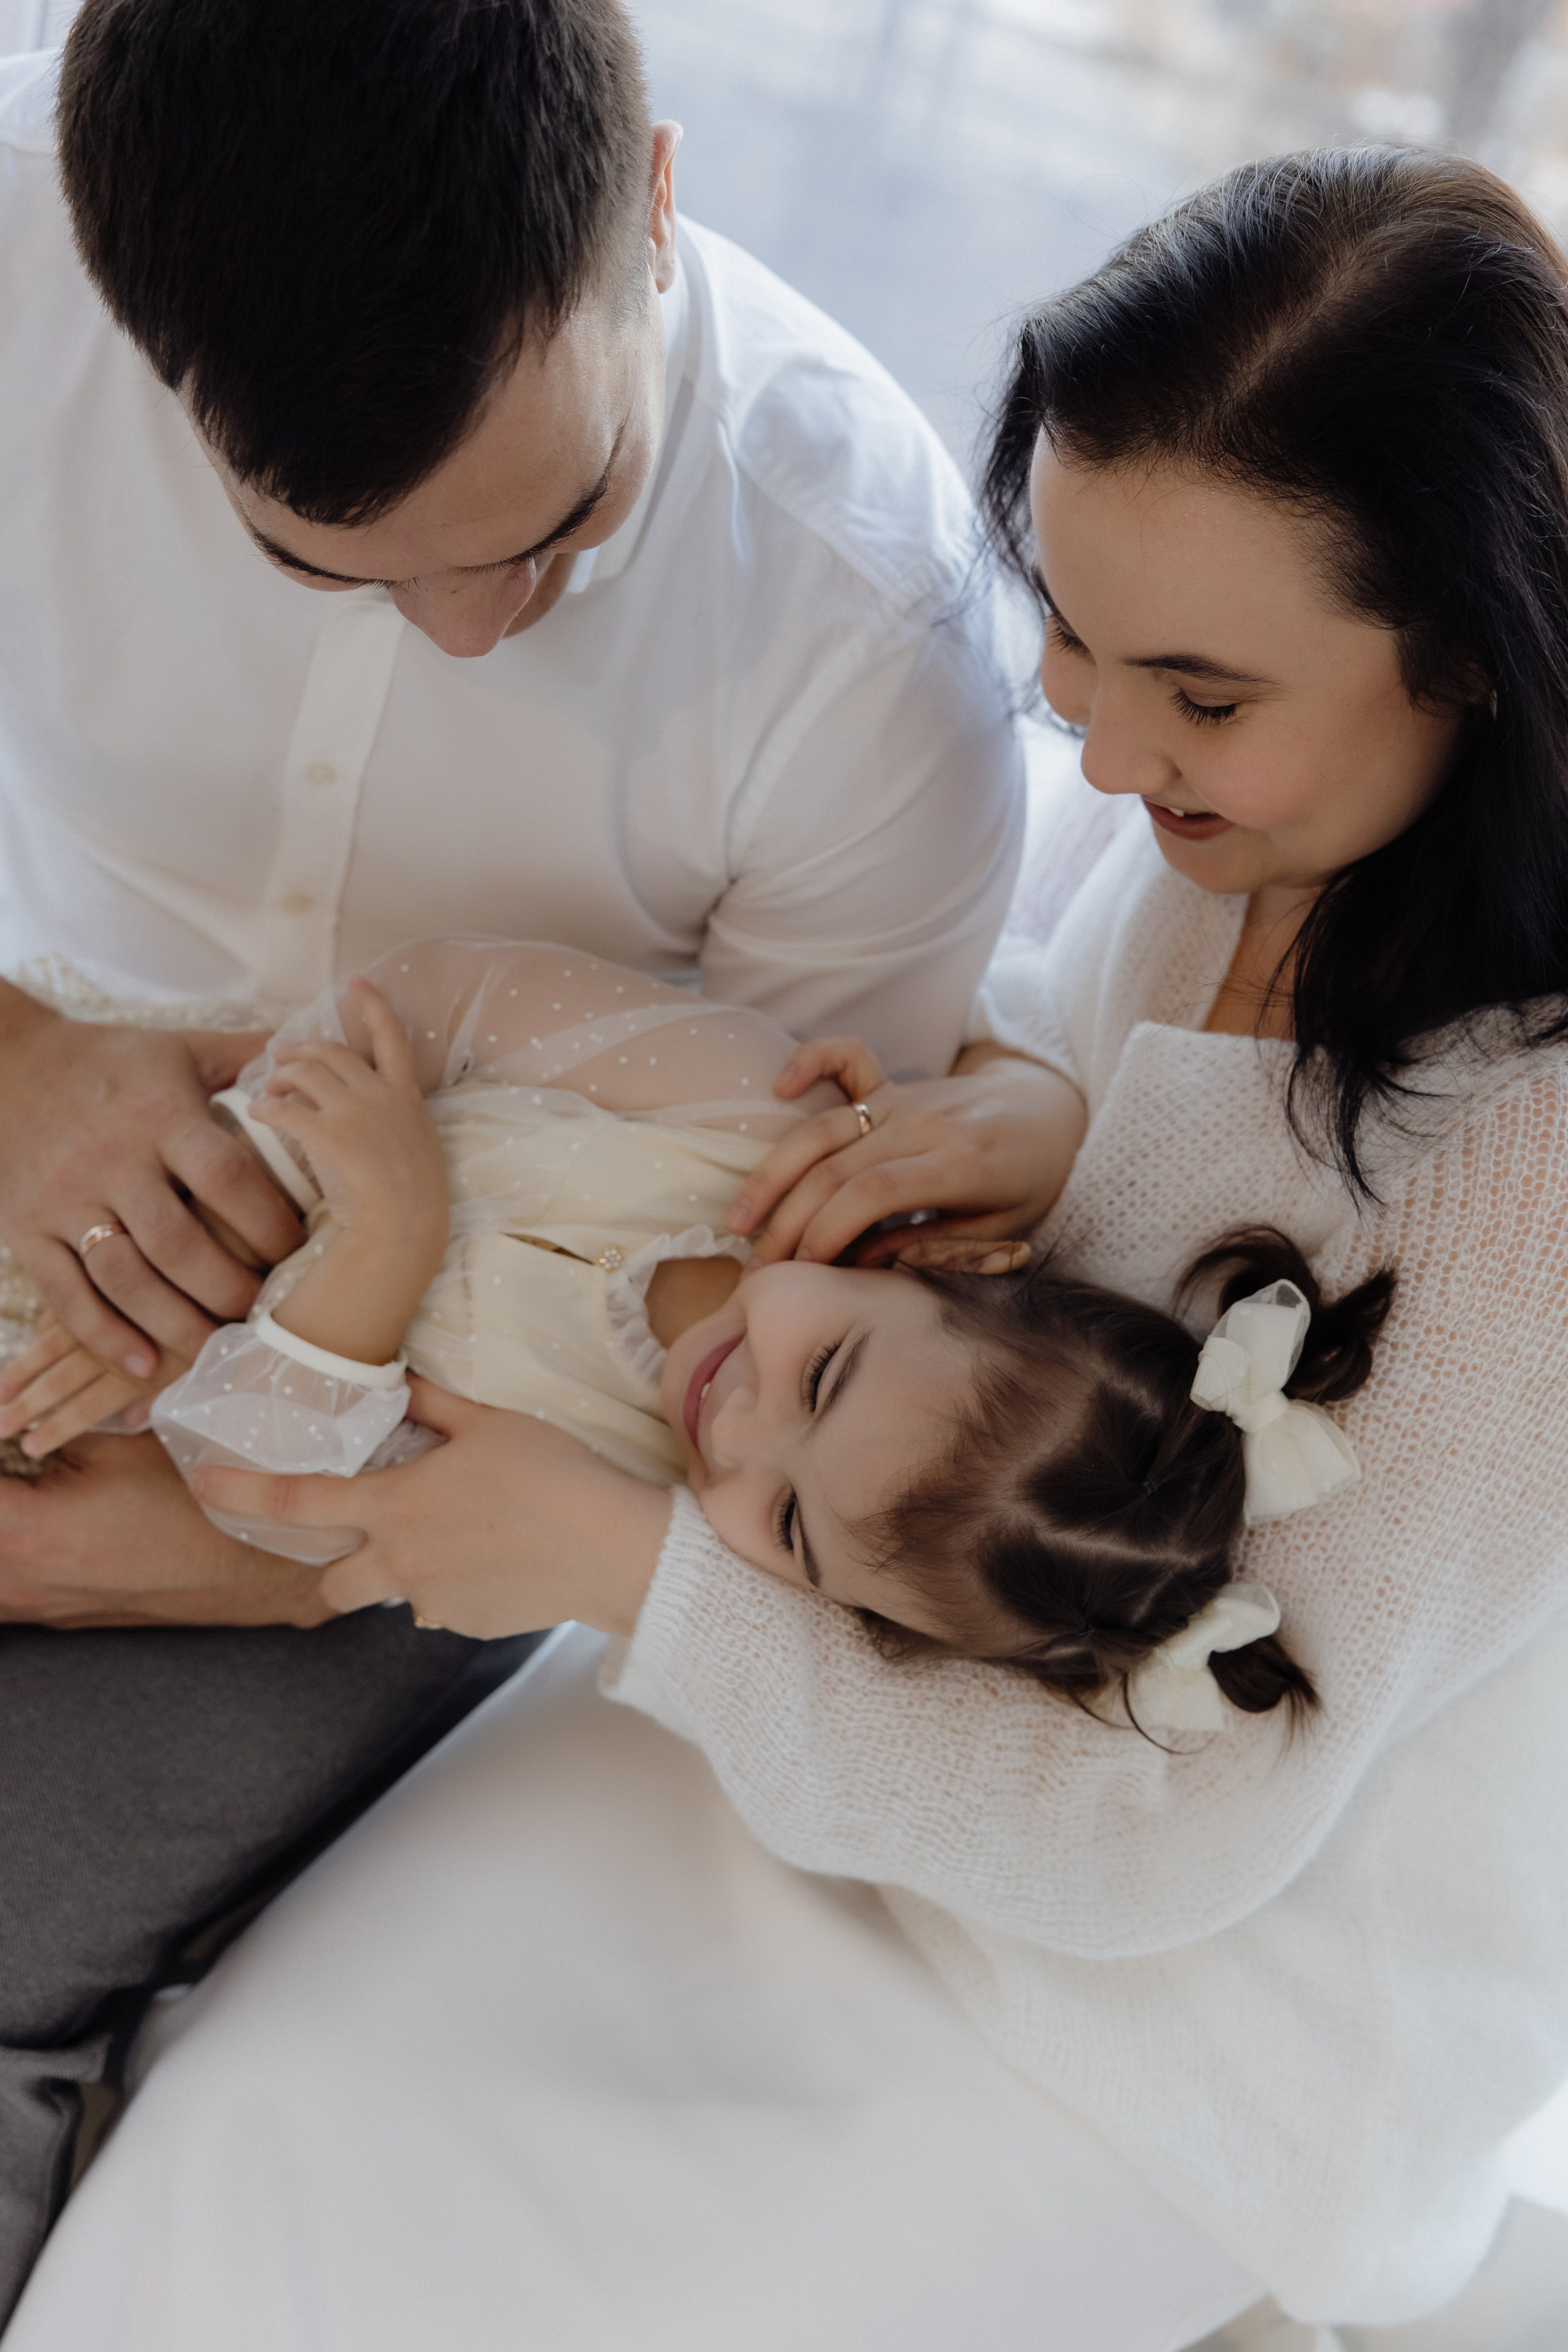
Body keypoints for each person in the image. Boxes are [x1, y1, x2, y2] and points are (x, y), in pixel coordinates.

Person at [55, 143, 1568, 2343]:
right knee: (248, 2122)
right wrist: (1025, 1101)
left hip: (1180, 2016)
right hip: (826, 1710)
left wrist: (627, 1567)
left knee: (400, 2252)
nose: (1101, 747)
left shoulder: (1530, 1168)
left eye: (1201, 694)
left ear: (1477, 661)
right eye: (1068, 633)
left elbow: (1190, 1828)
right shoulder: (1238, 845)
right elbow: (1091, 1106)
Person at [0, 0, 1022, 2307]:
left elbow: (728, 1324)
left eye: (562, 529)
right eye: (323, 562)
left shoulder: (873, 644)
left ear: (653, 197)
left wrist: (255, 1551)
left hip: (444, 1444)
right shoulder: (17, 251)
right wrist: (16, 1060)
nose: (469, 632)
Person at [4, 939, 1384, 1733]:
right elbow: (435, 998)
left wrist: (381, 1244)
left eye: (784, 1522)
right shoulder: (752, 1123)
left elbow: (257, 1493)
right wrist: (222, 1224)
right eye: (824, 1375)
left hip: (59, 1389)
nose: (738, 1431)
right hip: (156, 1144)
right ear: (946, 1261)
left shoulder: (589, 1491)